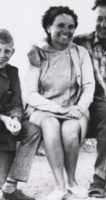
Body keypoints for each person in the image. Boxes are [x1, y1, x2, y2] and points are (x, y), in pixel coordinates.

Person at [28, 1, 106, 199]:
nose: (103, 24)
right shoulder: (83, 42)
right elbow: (56, 38)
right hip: (98, 103)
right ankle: (99, 178)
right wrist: (35, 44)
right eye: (99, 19)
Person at [25, 6, 95, 200]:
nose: (66, 30)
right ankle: (60, 187)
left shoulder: (80, 53)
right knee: (51, 124)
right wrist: (58, 109)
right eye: (61, 25)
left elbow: (89, 85)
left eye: (71, 26)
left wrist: (80, 108)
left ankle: (72, 182)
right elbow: (30, 93)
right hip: (44, 108)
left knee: (71, 129)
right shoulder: (37, 54)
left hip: (74, 108)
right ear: (49, 27)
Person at [0, 29, 41, 200]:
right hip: (2, 122)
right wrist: (5, 119)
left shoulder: (12, 73)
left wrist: (16, 119)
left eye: (7, 51)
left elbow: (16, 103)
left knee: (33, 130)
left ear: (12, 52)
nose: (2, 55)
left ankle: (10, 184)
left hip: (6, 125)